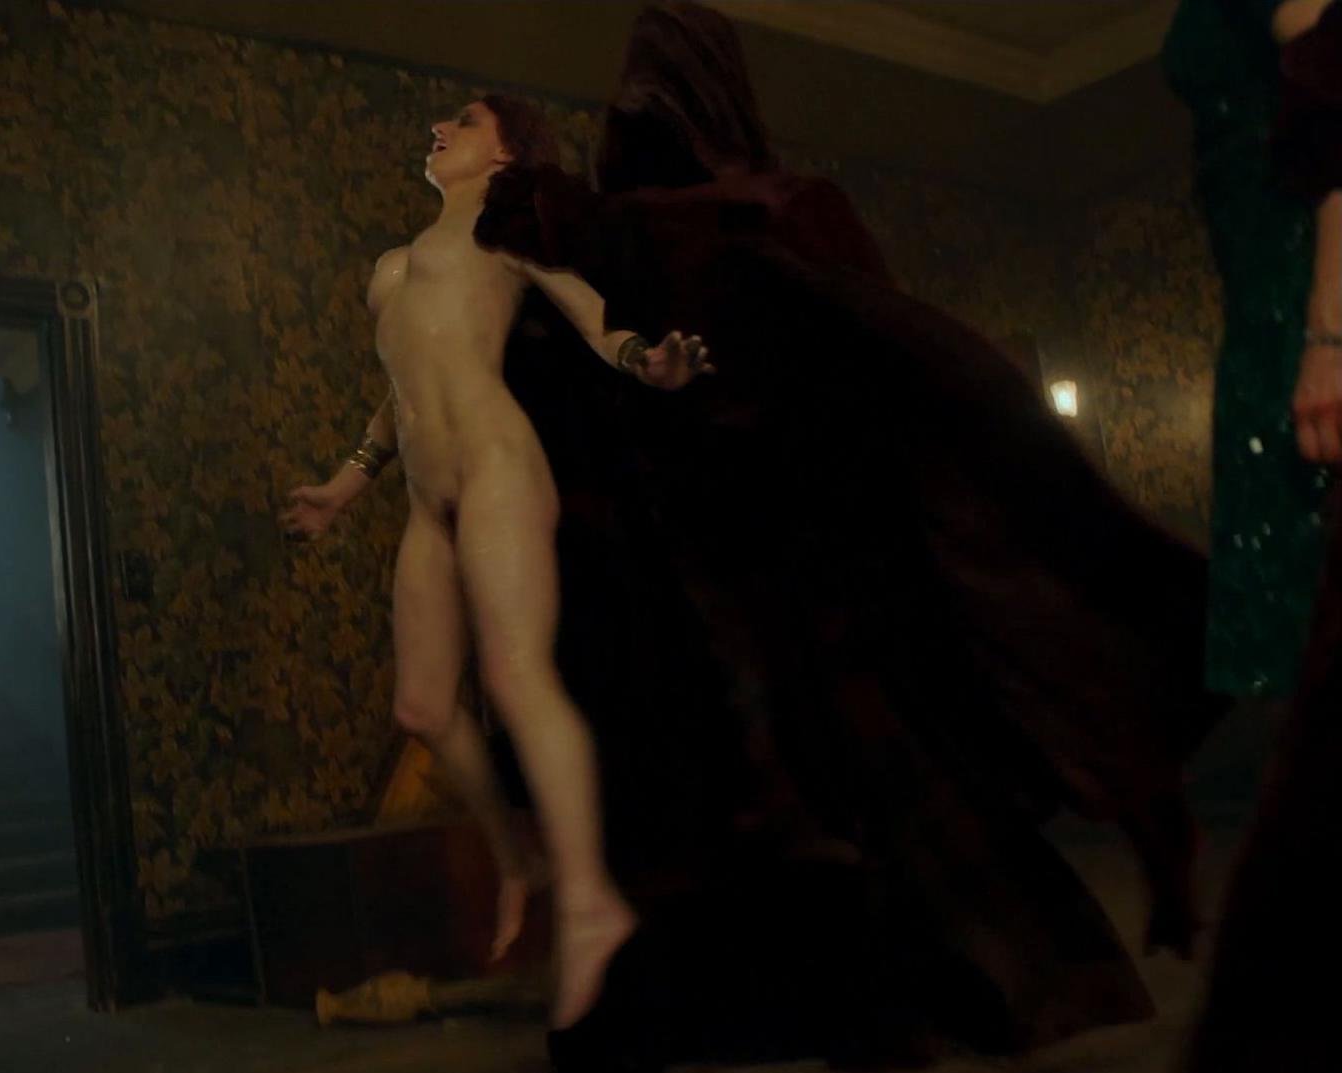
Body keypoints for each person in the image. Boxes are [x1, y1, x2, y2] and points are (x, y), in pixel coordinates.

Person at [463, 4, 1229, 1069]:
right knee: (825, 818)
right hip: (747, 604)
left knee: (775, 822)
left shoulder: (619, 242)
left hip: (714, 615)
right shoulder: (723, 223)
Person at [280, 92, 708, 1029]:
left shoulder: (506, 241)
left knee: (516, 678)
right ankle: (523, 861)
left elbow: (593, 320)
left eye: (467, 122)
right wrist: (343, 486)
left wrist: (648, 361)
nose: (440, 128)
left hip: (497, 468)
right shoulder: (392, 269)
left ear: (507, 155)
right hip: (424, 500)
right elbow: (399, 392)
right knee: (423, 705)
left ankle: (592, 902)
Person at [1174, 2, 1342, 1068]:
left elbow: (1337, 111)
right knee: (1302, 645)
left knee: (1323, 629)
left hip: (1305, 304)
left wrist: (1331, 332)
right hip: (1266, 306)